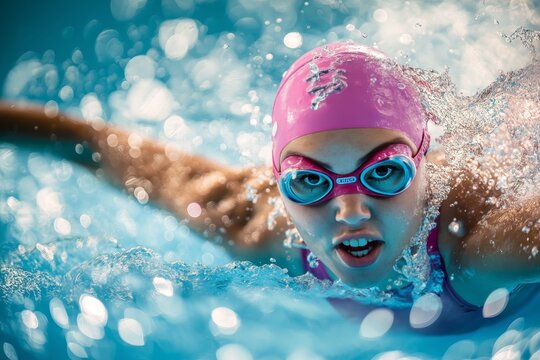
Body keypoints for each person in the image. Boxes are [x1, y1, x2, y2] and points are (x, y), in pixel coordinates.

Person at [0, 41, 538, 333]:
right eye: (309, 181)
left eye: (385, 171)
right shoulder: (255, 228)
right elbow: (94, 145)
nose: (350, 209)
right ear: (278, 182)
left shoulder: (478, 247)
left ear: (422, 165)